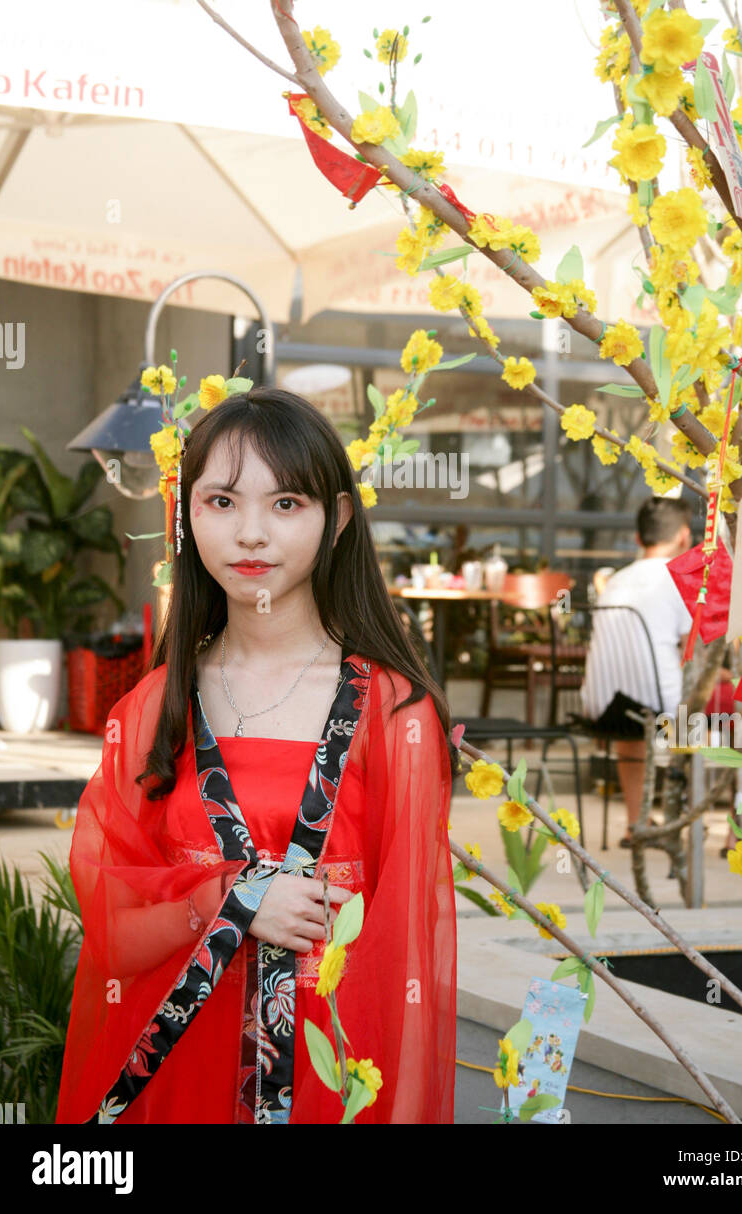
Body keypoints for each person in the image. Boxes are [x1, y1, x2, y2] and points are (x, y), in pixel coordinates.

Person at [56, 385, 459, 1125]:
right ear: (188, 514)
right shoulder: (151, 709)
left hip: (332, 1076)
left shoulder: (393, 710)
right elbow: (115, 932)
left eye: (285, 504)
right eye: (221, 503)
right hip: (179, 1078)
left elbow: (410, 960)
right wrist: (229, 899)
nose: (251, 535)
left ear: (335, 519)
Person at [580, 496, 694, 847]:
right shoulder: (678, 580)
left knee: (637, 713)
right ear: (684, 537)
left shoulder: (614, 582)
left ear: (637, 539)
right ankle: (740, 835)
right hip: (662, 715)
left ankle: (637, 823)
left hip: (602, 711)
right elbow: (694, 652)